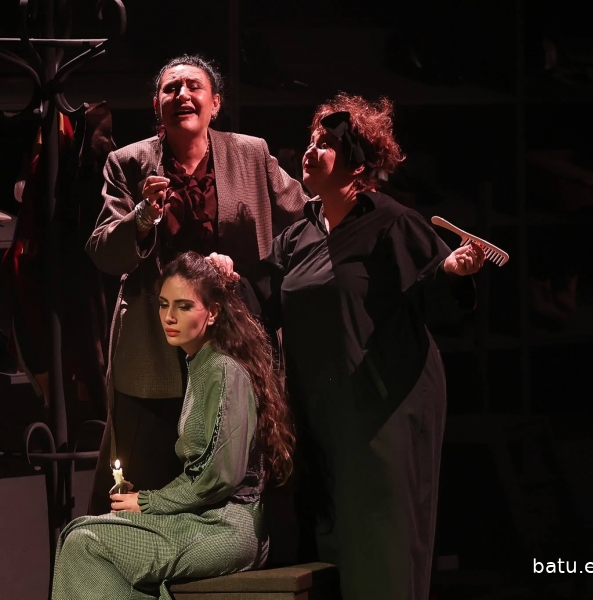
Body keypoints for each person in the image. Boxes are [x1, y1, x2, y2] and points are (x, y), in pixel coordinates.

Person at [256, 93, 486, 600]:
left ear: (357, 163)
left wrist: (451, 270)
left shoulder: (391, 222)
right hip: (321, 409)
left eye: (325, 143)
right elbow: (263, 298)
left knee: (381, 540)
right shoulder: (298, 237)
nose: (310, 151)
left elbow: (433, 293)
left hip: (385, 407)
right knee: (328, 539)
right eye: (310, 140)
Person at [85, 54, 307, 515]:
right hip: (155, 343)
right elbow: (104, 251)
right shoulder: (128, 163)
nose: (182, 95)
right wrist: (142, 216)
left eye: (193, 86)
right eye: (171, 89)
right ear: (156, 105)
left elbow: (304, 214)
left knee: (230, 472)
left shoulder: (250, 154)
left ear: (215, 103)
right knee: (151, 471)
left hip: (232, 339)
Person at [51, 251, 295, 600]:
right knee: (79, 533)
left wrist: (148, 502)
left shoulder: (223, 369)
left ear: (212, 312)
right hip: (202, 516)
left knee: (84, 542)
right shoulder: (200, 364)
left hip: (229, 526)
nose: (169, 316)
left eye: (183, 306)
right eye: (164, 304)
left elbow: (219, 476)